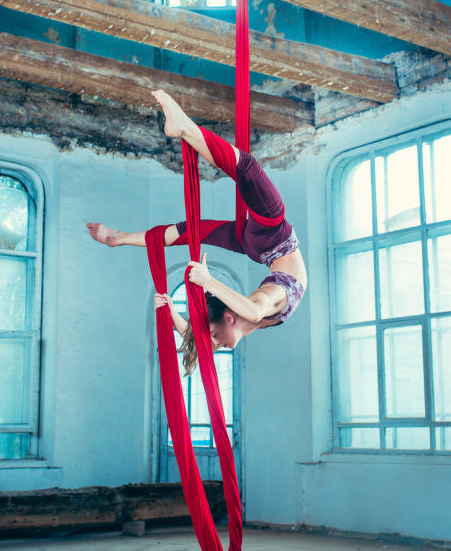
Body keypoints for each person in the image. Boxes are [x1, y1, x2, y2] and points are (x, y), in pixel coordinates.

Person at [87, 90, 307, 373]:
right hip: (266, 242)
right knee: (205, 217)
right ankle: (119, 237)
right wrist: (205, 283)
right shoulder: (255, 310)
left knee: (199, 222)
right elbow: (241, 316)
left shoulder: (255, 308)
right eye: (212, 338)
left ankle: (119, 236)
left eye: (212, 337)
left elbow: (210, 326)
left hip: (267, 242)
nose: (212, 345)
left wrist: (171, 311)